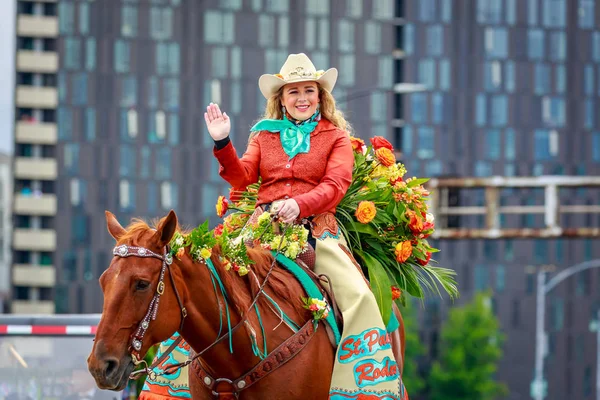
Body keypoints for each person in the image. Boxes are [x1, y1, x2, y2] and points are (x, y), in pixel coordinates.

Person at [205, 53, 406, 399]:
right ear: (280, 99)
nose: (301, 98)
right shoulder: (262, 136)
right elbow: (241, 179)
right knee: (206, 277)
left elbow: (336, 185)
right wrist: (223, 143)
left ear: (320, 96)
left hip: (317, 230)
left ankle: (368, 387)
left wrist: (299, 204)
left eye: (308, 90)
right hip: (261, 230)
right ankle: (172, 384)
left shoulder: (336, 137)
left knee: (359, 297)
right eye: (293, 91)